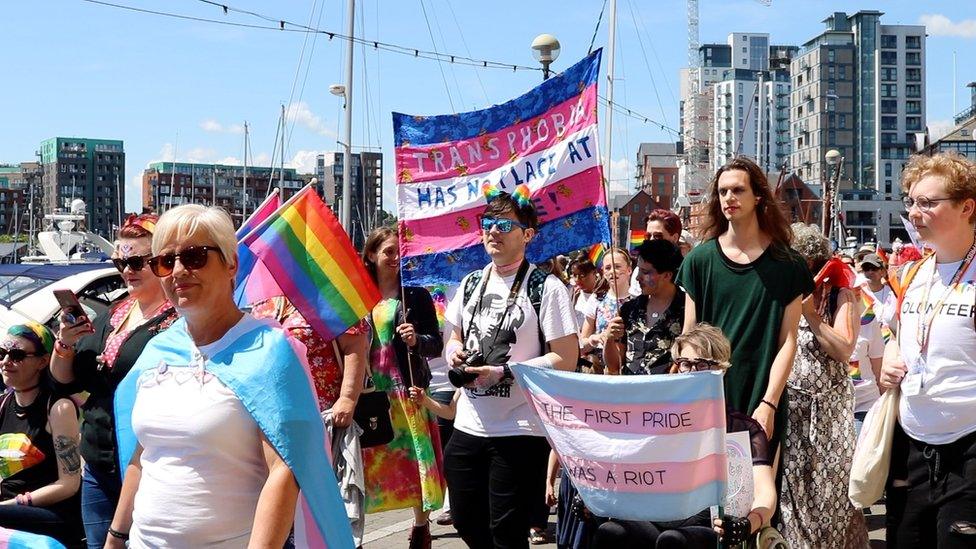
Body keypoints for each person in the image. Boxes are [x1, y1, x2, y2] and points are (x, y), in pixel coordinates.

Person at [108, 204, 349, 548]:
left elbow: (284, 470)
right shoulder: (157, 351)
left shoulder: (268, 350)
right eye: (165, 261)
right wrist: (115, 538)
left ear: (231, 263)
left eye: (194, 257)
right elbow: (142, 455)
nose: (178, 271)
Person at [443, 186, 579, 549]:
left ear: (528, 235)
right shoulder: (471, 282)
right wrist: (455, 351)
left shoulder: (546, 287)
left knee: (507, 533)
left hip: (519, 428)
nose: (492, 232)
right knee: (464, 518)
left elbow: (567, 358)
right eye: (488, 223)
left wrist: (504, 372)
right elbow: (453, 336)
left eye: (504, 226)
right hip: (470, 422)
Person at [49, 213, 178, 549]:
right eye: (120, 262)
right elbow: (66, 382)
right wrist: (64, 342)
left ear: (161, 261)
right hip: (97, 461)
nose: (126, 271)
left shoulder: (177, 322)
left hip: (146, 462)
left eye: (136, 261)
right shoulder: (116, 311)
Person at [592, 323, 777, 549]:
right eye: (684, 364)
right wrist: (595, 495)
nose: (690, 372)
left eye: (700, 364)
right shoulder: (658, 420)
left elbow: (766, 494)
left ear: (721, 369)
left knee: (673, 541)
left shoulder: (743, 429)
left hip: (709, 525)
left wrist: (749, 524)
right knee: (611, 532)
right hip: (657, 517)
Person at [675, 156, 813, 447]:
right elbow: (689, 333)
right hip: (707, 397)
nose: (729, 197)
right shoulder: (699, 261)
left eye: (738, 190)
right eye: (723, 191)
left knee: (759, 491)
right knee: (708, 492)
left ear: (758, 196)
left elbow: (788, 341)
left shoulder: (788, 264)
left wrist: (770, 403)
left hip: (761, 396)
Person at [880, 152, 976, 547]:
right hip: (912, 447)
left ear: (967, 207)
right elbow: (894, 332)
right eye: (911, 201)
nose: (915, 213)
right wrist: (889, 353)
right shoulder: (913, 273)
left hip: (968, 448)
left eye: (927, 203)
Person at [778, 224, 869, 547]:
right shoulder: (782, 293)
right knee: (793, 491)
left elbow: (844, 348)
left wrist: (811, 315)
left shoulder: (839, 294)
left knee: (831, 491)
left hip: (828, 413)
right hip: (792, 411)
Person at [361, 226, 445, 549]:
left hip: (404, 389)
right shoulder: (360, 294)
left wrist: (415, 340)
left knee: (414, 458)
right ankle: (360, 528)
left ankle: (421, 527)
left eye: (399, 251)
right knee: (371, 459)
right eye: (388, 252)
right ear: (371, 255)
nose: (396, 258)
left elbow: (434, 344)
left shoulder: (415, 296)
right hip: (372, 391)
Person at [0, 323, 83, 547]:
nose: (6, 362)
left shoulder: (58, 408)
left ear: (43, 361)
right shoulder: (3, 404)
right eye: (2, 353)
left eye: (16, 355)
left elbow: (69, 484)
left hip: (53, 514)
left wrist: (14, 503)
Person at [605, 239, 684, 375]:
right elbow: (614, 366)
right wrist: (609, 339)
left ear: (667, 275)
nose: (638, 278)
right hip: (630, 392)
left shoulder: (687, 309)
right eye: (639, 271)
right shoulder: (628, 310)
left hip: (668, 393)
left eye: (646, 272)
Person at [850, 252, 892, 431]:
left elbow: (878, 367)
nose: (869, 272)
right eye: (866, 268)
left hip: (887, 350)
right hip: (839, 406)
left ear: (883, 271)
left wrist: (886, 403)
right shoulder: (862, 293)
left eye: (873, 268)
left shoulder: (893, 294)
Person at [580, 248, 632, 374]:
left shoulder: (638, 299)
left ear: (629, 270)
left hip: (628, 370)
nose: (613, 272)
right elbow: (582, 343)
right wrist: (596, 338)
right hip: (600, 369)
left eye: (618, 266)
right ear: (603, 272)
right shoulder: (596, 299)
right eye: (608, 268)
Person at [629, 209, 681, 296]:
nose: (651, 240)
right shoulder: (639, 270)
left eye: (657, 236)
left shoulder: (686, 270)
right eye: (648, 236)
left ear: (674, 238)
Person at [568, 258, 603, 330]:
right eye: (574, 275)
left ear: (594, 272)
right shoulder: (574, 294)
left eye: (582, 275)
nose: (577, 280)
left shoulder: (602, 297)